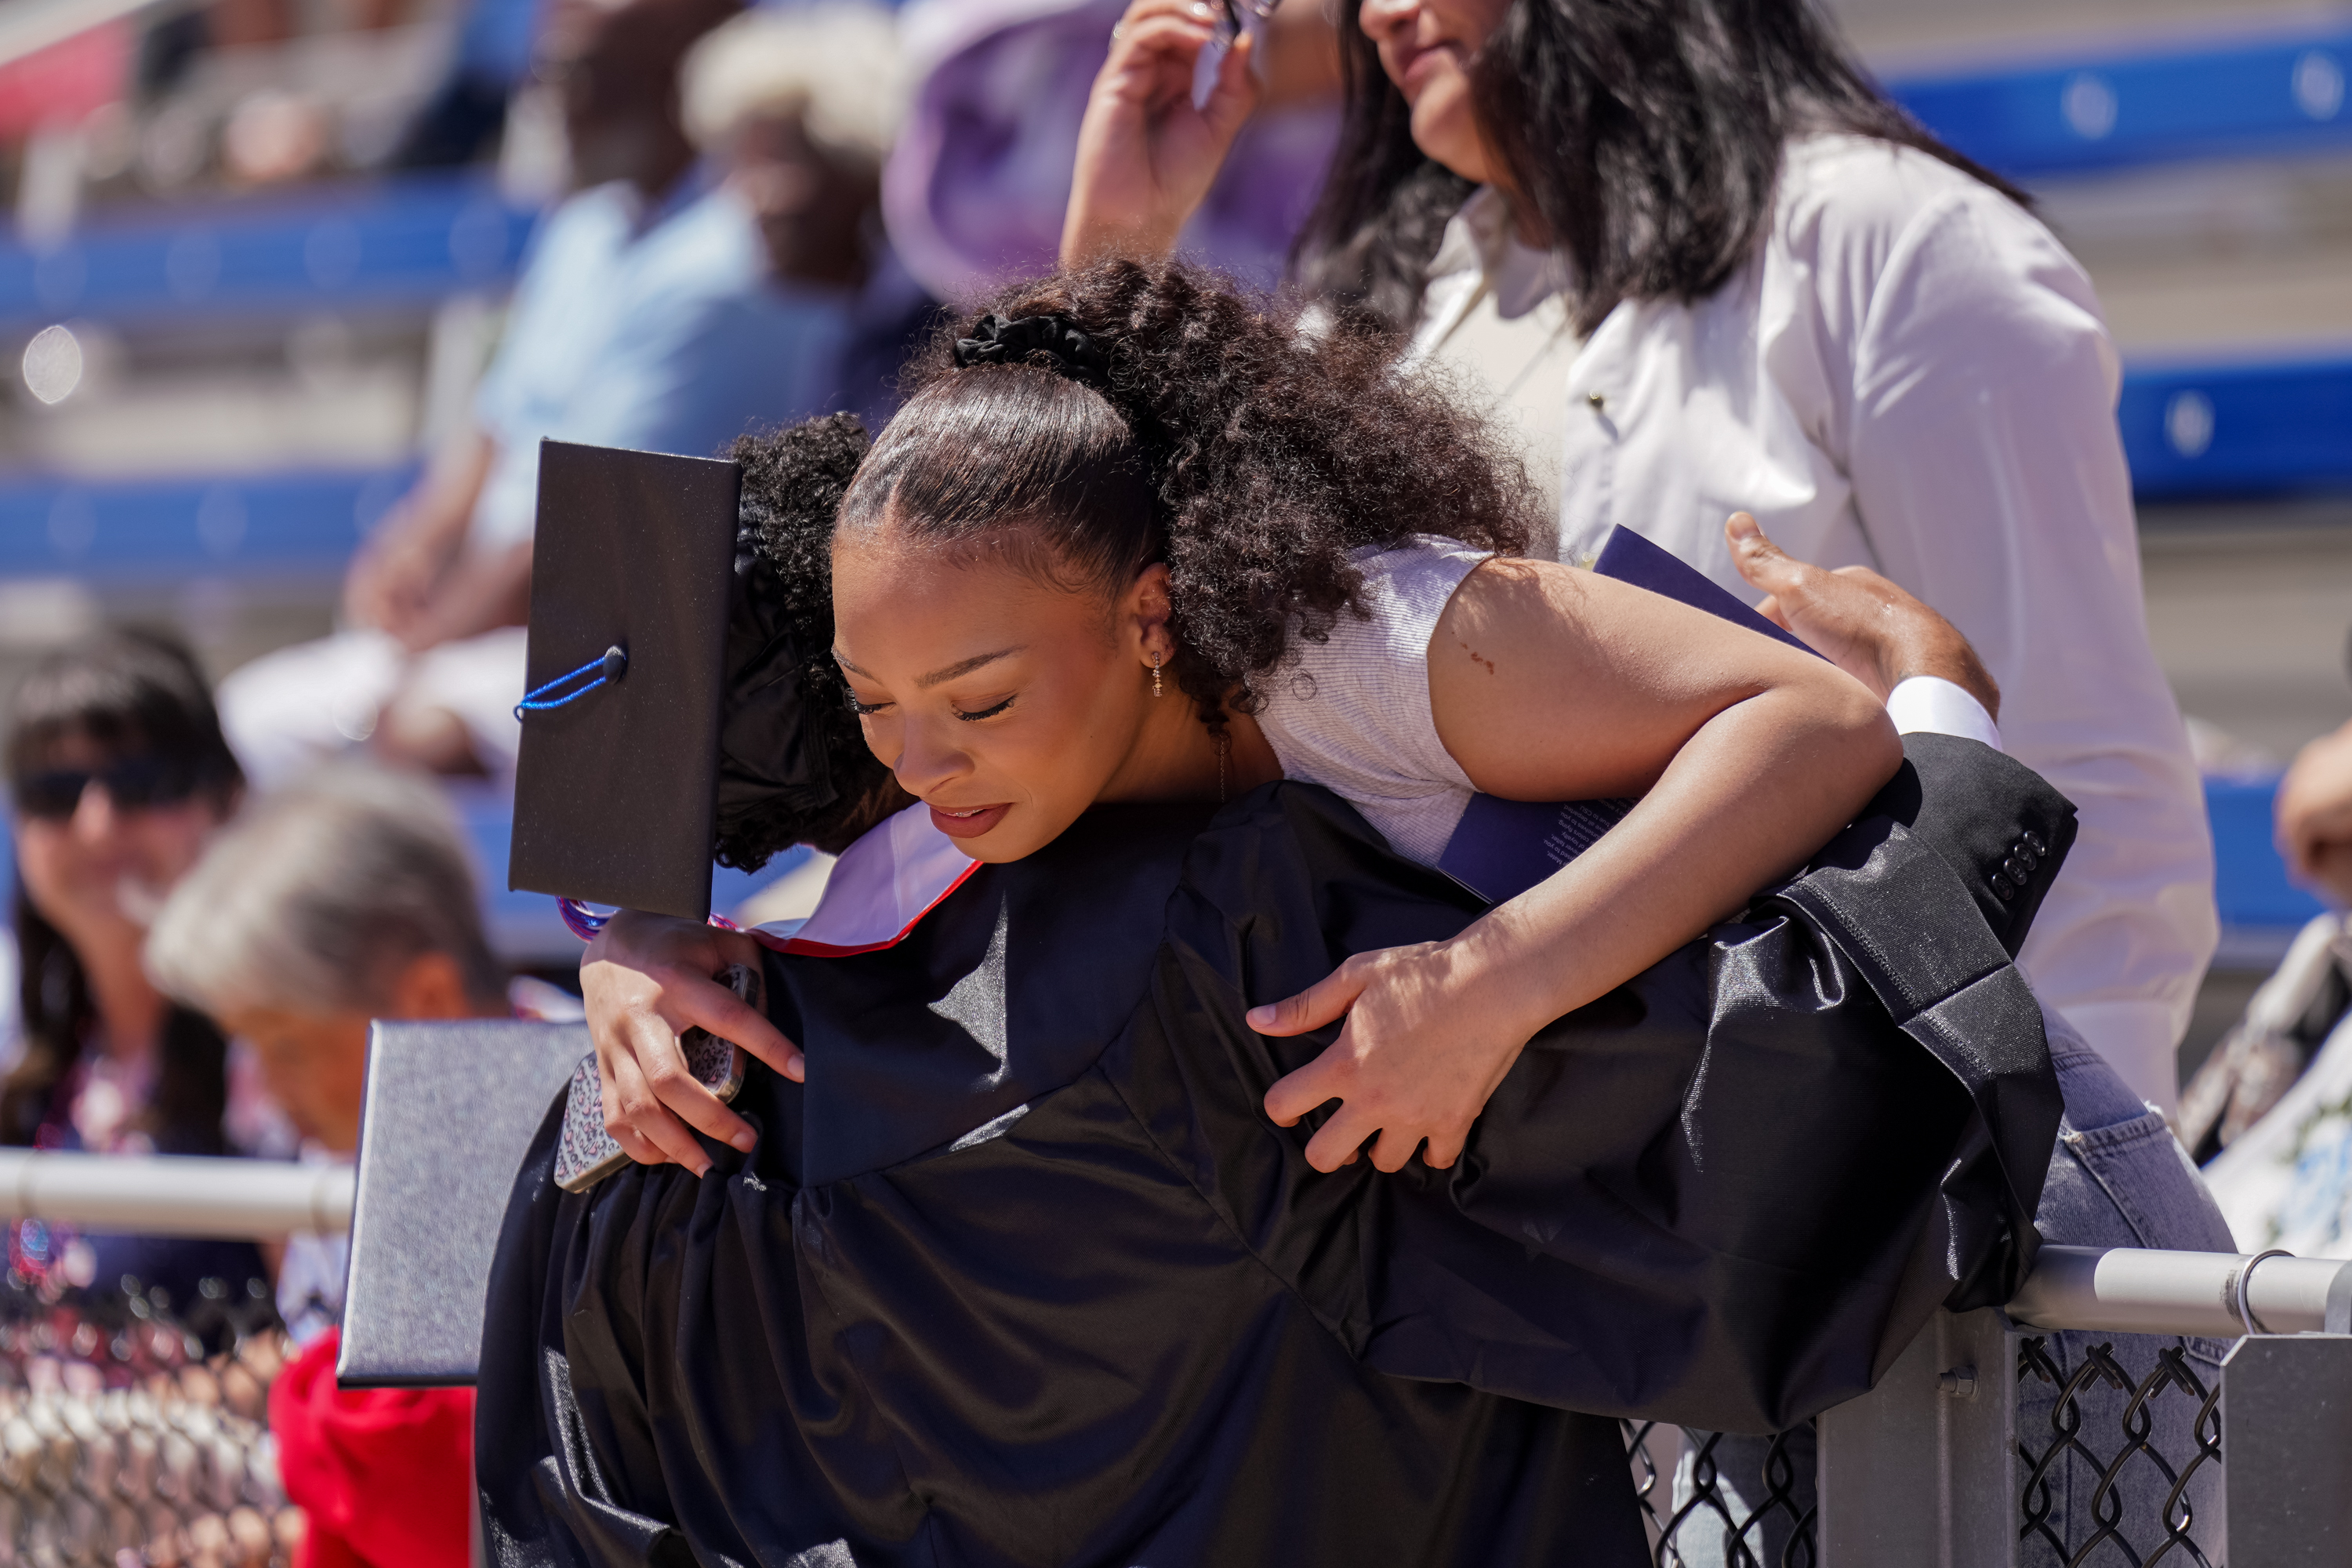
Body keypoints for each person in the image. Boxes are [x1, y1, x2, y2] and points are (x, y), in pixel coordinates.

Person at [479, 381, 2068, 1564]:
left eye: (969, 697)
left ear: (1153, 615)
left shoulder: (1371, 643)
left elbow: (1817, 725)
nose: (920, 758)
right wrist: (631, 938)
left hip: (1959, 1083)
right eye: (870, 700)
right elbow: (990, 478)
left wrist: (1491, 982)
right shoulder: (993, 726)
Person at [1060, 0, 2216, 1120]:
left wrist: (2070, 1211)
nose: (1378, 14)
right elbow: (1105, 625)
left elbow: (2082, 777)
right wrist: (1119, 241)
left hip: (1838, 1154)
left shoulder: (1893, 240)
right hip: (1512, 1202)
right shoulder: (1386, 305)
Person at [216, 0, 862, 786]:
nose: (552, 98)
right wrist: (413, 545)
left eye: (578, 73)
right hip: (485, 626)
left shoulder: (736, 258)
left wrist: (423, 643)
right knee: (238, 728)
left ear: (675, 73)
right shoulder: (582, 227)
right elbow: (497, 424)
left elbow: (591, 520)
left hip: (628, 643)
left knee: (384, 738)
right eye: (547, 70)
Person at [145, 761, 509, 1568]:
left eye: (287, 1043)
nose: (271, 1090)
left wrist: (279, 1491)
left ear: (428, 999)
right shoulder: (347, 1152)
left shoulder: (580, 1137)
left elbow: (449, 1486)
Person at [2, 630, 271, 1315]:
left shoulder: (279, 1053)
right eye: (55, 792)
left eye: (141, 783)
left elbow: (328, 1340)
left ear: (228, 799)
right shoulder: (29, 1065)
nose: (96, 824)